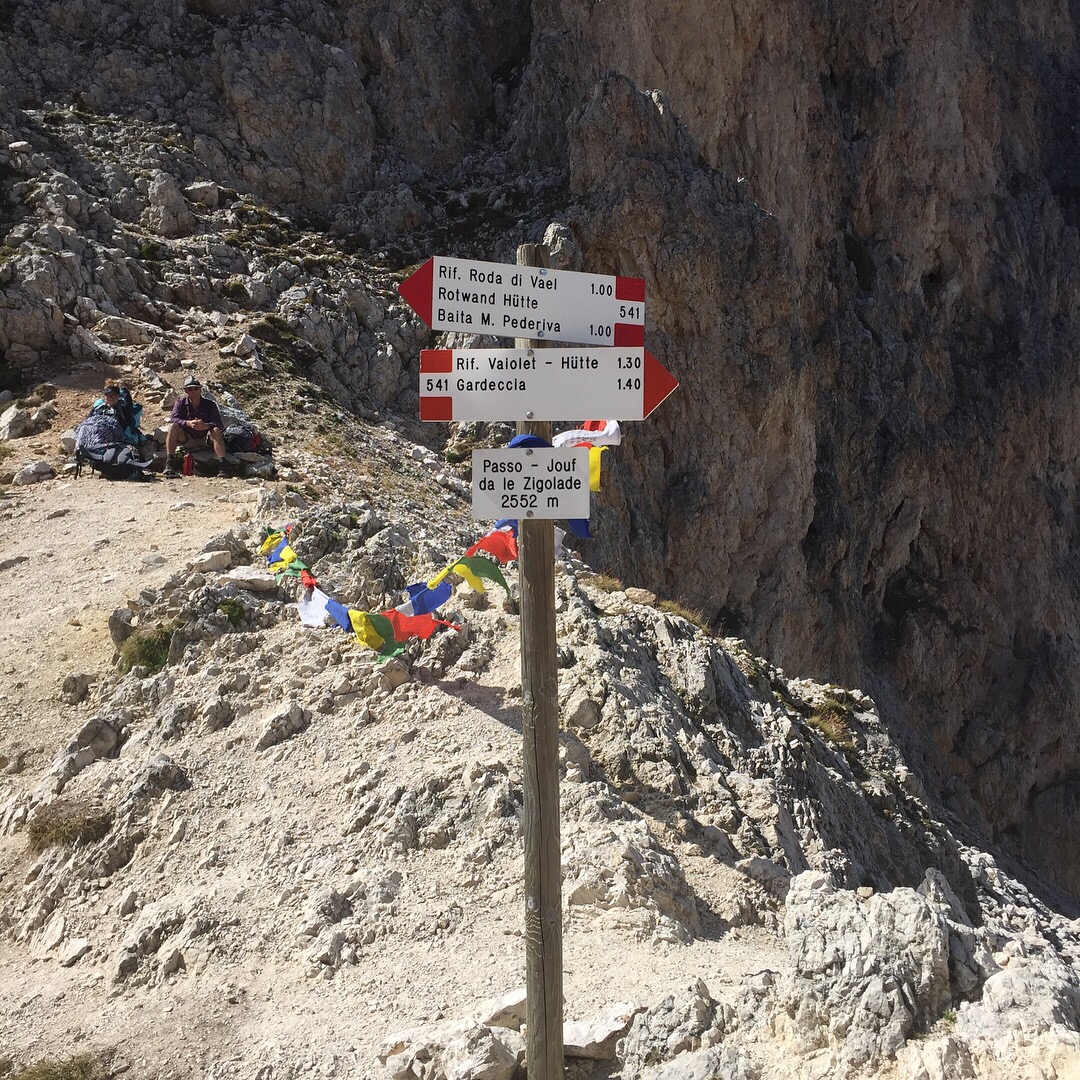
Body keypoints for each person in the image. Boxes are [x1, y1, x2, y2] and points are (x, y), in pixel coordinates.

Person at [164, 376, 226, 477]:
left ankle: (223, 466)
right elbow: (174, 419)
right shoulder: (180, 402)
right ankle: (170, 463)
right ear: (186, 391)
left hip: (206, 438)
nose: (193, 391)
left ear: (200, 389)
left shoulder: (210, 404)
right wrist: (188, 423)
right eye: (190, 389)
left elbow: (218, 423)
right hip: (187, 438)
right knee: (173, 427)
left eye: (196, 388)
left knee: (216, 430)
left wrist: (205, 426)